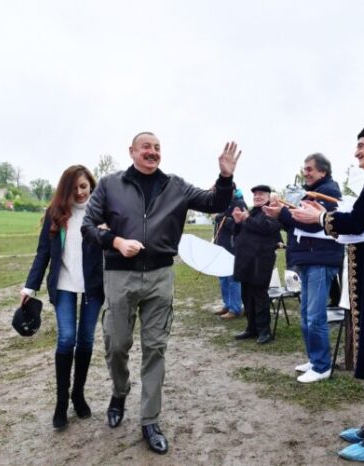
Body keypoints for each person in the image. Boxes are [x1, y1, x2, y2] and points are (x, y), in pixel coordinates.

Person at [81, 132, 240, 454]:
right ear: (132, 152)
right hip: (119, 275)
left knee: (155, 348)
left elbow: (215, 203)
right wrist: (115, 241)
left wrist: (225, 177)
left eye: (157, 148)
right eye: (146, 147)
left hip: (159, 276)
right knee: (116, 344)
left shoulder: (176, 186)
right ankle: (120, 391)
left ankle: (149, 419)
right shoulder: (110, 185)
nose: (152, 152)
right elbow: (88, 225)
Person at [291, 115, 364, 462]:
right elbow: (361, 217)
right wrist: (328, 214)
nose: (356, 152)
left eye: (361, 145)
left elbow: (359, 222)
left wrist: (319, 219)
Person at [21, 165, 104, 430]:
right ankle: (61, 402)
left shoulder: (102, 212)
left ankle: (78, 394)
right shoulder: (55, 214)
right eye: (74, 188)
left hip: (93, 287)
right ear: (65, 190)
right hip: (64, 286)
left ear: (91, 184)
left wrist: (108, 231)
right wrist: (29, 287)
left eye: (84, 186)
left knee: (86, 340)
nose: (80, 193)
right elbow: (42, 253)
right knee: (66, 339)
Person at [263, 153, 344, 383]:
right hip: (308, 258)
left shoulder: (328, 192)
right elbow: (294, 223)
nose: (305, 172)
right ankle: (314, 358)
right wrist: (279, 215)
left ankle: (322, 366)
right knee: (307, 314)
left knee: (315, 316)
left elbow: (309, 221)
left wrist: (284, 213)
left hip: (321, 259)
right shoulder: (308, 191)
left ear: (323, 171)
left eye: (310, 169)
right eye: (305, 168)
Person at [232, 184, 281, 344]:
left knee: (259, 297)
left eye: (261, 194)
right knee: (247, 296)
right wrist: (238, 222)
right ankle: (251, 328)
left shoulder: (272, 211)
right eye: (255, 195)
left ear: (268, 197)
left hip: (260, 262)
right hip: (245, 261)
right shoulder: (251, 212)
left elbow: (266, 228)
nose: (257, 197)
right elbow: (238, 234)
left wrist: (246, 219)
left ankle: (264, 331)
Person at [213, 188, 247, 320]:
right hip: (220, 247)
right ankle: (227, 305)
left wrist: (220, 218)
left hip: (232, 248)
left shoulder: (238, 203)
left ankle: (235, 308)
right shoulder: (221, 203)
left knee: (233, 280)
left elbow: (240, 226)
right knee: (222, 278)